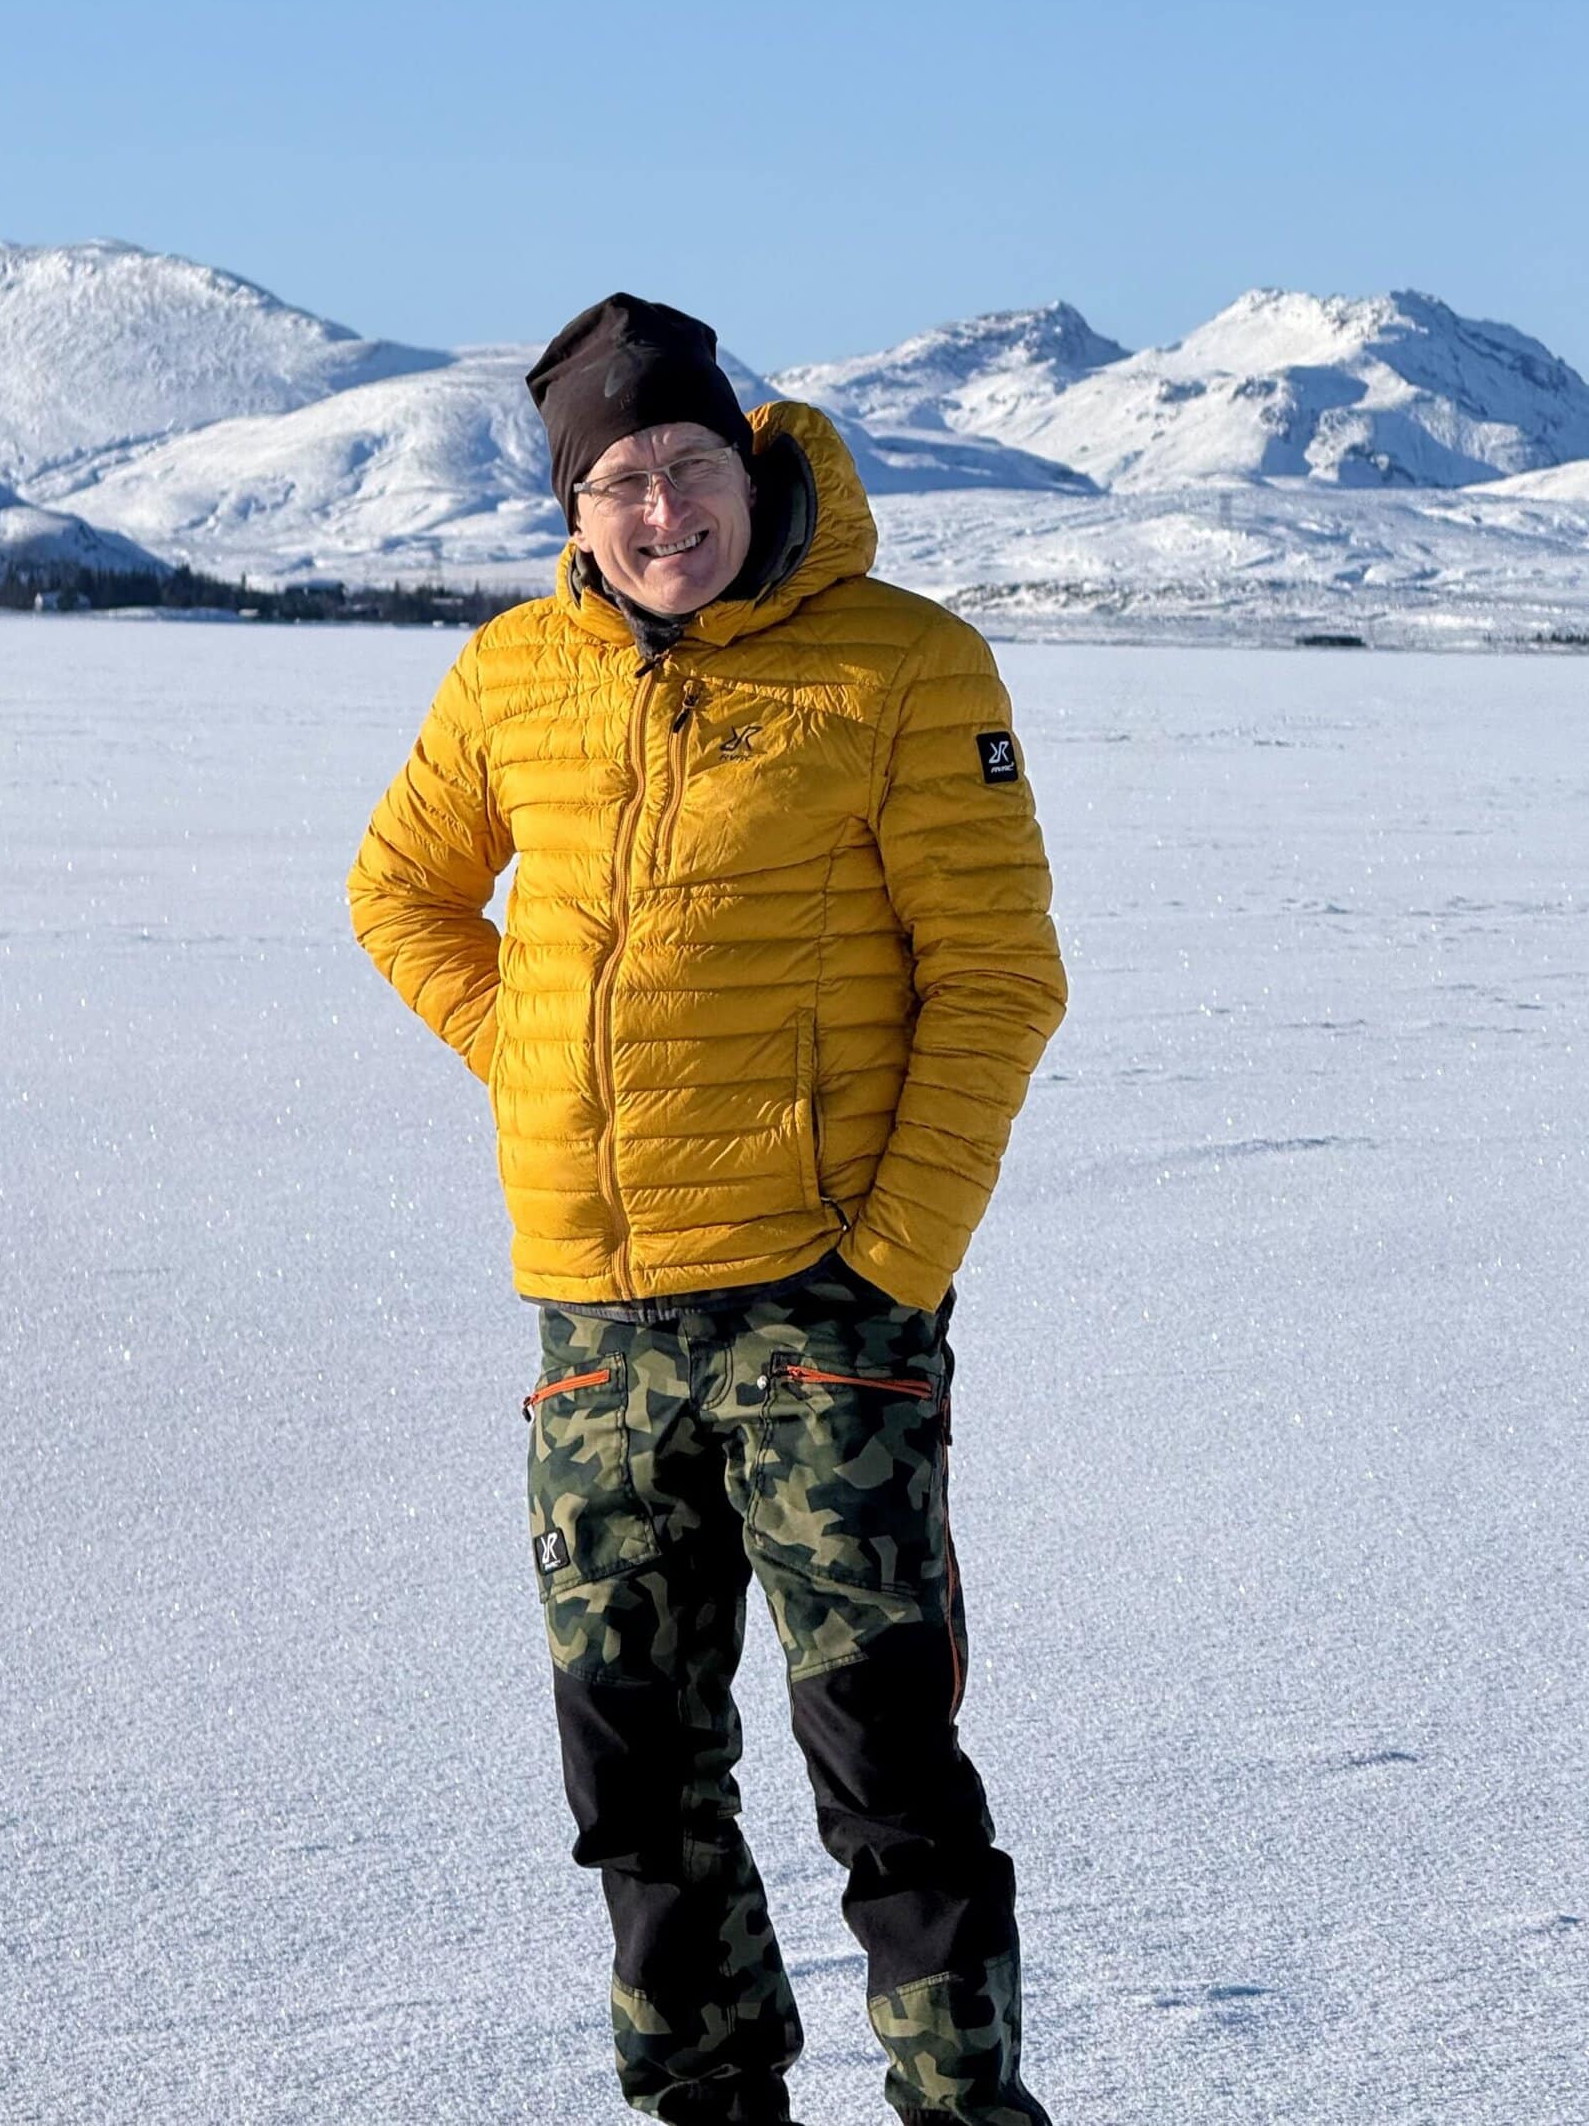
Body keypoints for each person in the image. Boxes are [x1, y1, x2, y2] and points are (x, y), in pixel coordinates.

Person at [348, 293, 1067, 2126]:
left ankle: (964, 2112)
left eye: (683, 468)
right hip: (595, 1323)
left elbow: (998, 980)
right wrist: (534, 1064)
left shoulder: (903, 667)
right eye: (613, 483)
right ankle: (710, 2101)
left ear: (745, 465)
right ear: (572, 511)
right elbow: (401, 893)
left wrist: (890, 1255)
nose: (657, 514)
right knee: (635, 1771)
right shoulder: (518, 670)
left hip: (823, 1316)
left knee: (885, 1769)